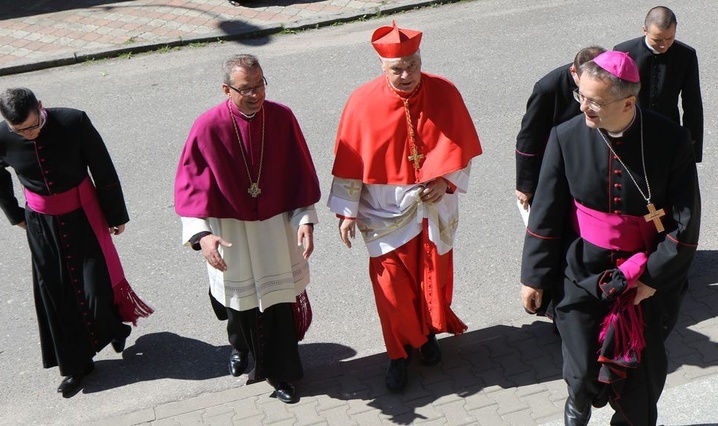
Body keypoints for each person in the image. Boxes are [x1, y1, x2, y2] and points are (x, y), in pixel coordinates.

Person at [520, 51, 700, 425]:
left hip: (646, 279)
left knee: (641, 382)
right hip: (582, 272)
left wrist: (652, 278)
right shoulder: (565, 136)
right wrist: (533, 276)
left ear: (628, 102)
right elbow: (547, 211)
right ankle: (578, 402)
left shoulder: (670, 139)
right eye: (580, 97)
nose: (583, 107)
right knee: (582, 369)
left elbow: (685, 225)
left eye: (594, 102)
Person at [328, 21, 482, 393]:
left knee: (430, 279)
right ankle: (398, 355)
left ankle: (427, 335)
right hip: (384, 214)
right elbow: (350, 164)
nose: (407, 75)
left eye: (412, 65)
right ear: (382, 66)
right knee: (393, 290)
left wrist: (444, 181)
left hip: (431, 209)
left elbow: (461, 149)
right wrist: (347, 212)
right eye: (397, 68)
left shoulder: (444, 91)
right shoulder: (362, 102)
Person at [0, 88, 153, 397]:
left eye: (32, 126)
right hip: (41, 226)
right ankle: (77, 366)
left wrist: (116, 214)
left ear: (41, 107)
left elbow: (103, 168)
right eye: (19, 130)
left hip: (83, 216)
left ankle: (115, 327)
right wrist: (15, 215)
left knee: (95, 287)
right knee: (57, 297)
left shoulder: (73, 121)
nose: (28, 134)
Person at [174, 54, 320, 404]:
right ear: (226, 89)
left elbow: (298, 173)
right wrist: (202, 235)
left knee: (276, 305)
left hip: (273, 229)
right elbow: (190, 186)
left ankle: (280, 374)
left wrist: (304, 219)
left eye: (260, 85)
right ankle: (239, 345)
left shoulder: (281, 117)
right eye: (246, 89)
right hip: (230, 230)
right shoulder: (207, 126)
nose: (256, 95)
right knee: (238, 306)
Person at [515, 46, 605, 212]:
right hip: (560, 162)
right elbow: (529, 137)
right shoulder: (547, 89)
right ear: (573, 71)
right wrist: (525, 185)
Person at [614, 6, 704, 162]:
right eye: (657, 39)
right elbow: (613, 98)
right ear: (645, 30)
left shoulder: (686, 55)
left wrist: (692, 148)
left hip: (669, 132)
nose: (664, 45)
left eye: (670, 39)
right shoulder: (623, 52)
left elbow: (692, 104)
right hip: (631, 132)